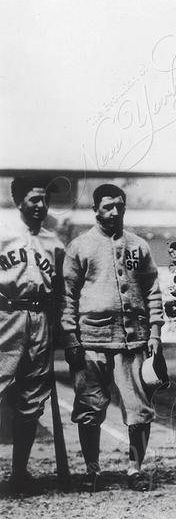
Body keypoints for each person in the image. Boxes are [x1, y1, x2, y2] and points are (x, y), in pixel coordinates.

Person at [61, 184, 162, 486]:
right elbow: (66, 297)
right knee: (90, 408)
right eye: (107, 206)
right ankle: (92, 471)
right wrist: (70, 337)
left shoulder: (138, 246)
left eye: (119, 205)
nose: (114, 211)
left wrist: (155, 332)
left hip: (133, 341)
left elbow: (153, 291)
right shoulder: (79, 247)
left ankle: (136, 469)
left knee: (138, 409)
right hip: (91, 341)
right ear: (96, 209)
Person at [1, 176, 64, 493]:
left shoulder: (54, 242)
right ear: (19, 201)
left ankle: (18, 474)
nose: (41, 206)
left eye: (44, 200)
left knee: (31, 398)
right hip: (5, 314)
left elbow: (61, 292)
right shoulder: (2, 232)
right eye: (34, 199)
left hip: (40, 318)